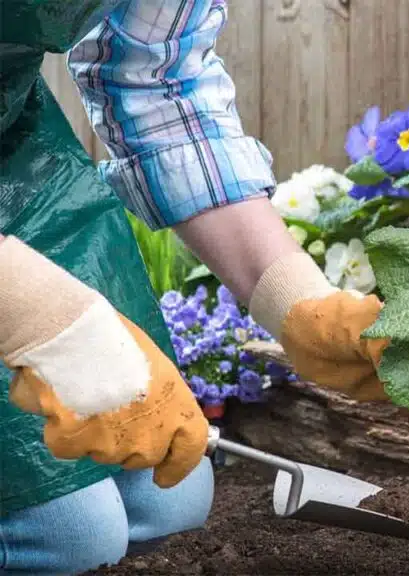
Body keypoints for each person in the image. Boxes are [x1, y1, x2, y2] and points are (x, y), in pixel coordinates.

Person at [0, 1, 388, 573]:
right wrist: (37, 316)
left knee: (169, 500)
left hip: (16, 153)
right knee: (67, 536)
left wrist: (294, 298)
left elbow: (157, 78)